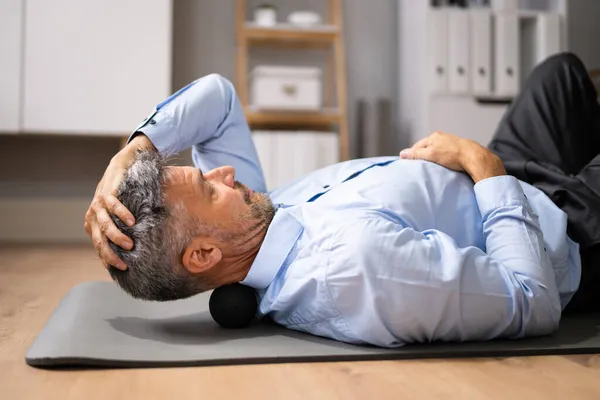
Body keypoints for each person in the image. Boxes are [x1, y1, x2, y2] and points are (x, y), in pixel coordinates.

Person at [85, 53, 600, 348]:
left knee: (559, 75)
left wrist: (132, 151)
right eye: (207, 187)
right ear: (202, 256)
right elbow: (532, 302)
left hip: (507, 175)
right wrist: (486, 168)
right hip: (567, 227)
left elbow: (218, 100)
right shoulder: (355, 268)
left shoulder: (259, 224)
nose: (222, 173)